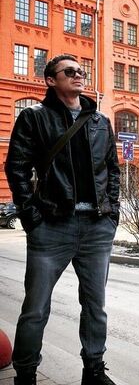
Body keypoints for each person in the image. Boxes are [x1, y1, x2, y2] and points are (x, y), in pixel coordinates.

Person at [5, 54, 120, 385]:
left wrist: (112, 212)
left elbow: (112, 170)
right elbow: (17, 168)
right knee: (36, 307)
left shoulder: (100, 121)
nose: (78, 75)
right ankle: (26, 373)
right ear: (51, 80)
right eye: (69, 71)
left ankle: (93, 370)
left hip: (96, 227)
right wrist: (31, 217)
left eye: (81, 71)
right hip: (52, 225)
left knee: (95, 306)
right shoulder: (34, 117)